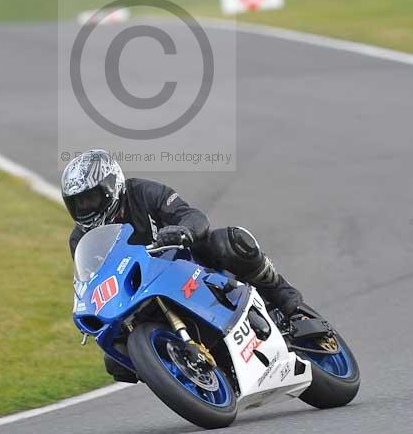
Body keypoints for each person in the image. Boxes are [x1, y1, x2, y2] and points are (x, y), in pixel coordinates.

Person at [62, 149, 304, 384]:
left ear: (111, 186)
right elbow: (92, 279)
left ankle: (286, 298)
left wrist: (183, 230)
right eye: (77, 203)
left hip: (182, 263)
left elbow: (193, 217)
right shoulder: (80, 240)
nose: (85, 207)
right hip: (138, 293)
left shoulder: (142, 192)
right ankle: (181, 371)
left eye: (90, 198)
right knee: (116, 358)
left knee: (230, 242)